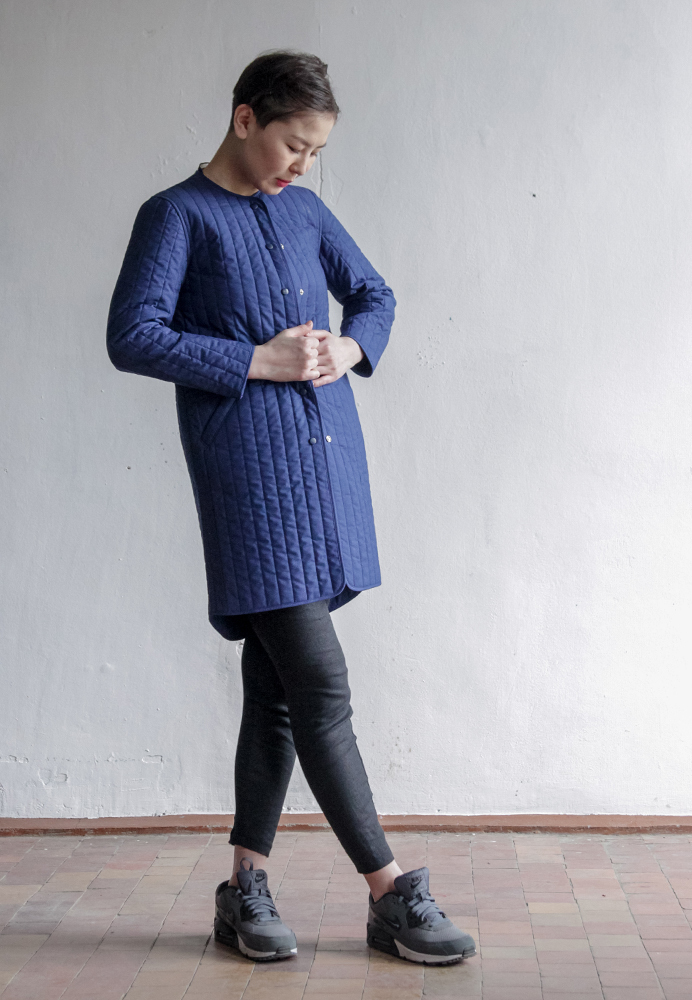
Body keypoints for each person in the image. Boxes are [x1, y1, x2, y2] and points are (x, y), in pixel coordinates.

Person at [106, 49, 475, 967]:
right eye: (292, 144)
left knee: (274, 692)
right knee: (321, 687)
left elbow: (375, 295)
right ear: (245, 119)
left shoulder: (305, 211)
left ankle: (245, 889)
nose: (302, 165)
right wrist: (252, 360)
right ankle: (389, 893)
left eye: (315, 151)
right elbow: (132, 334)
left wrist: (350, 350)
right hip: (248, 483)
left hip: (325, 474)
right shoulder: (176, 215)